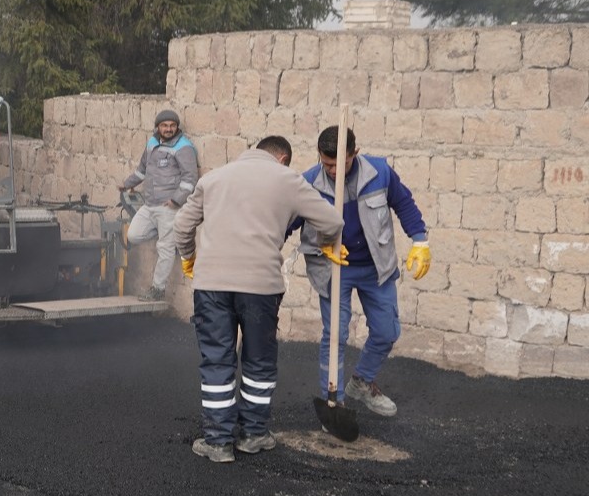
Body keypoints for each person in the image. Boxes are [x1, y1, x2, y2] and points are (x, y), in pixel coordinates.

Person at [175, 136, 345, 463]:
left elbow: (182, 224)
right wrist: (326, 243)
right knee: (258, 361)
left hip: (212, 286)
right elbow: (332, 221)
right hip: (261, 287)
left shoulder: (214, 178)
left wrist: (189, 256)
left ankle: (218, 442)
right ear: (282, 159)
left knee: (217, 360)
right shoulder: (288, 180)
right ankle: (253, 434)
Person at [290, 127, 430, 418]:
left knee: (386, 331)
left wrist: (420, 240)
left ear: (355, 153)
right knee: (336, 335)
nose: (332, 170)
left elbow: (403, 203)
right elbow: (286, 222)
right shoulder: (307, 183)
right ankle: (335, 401)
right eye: (326, 164)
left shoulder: (379, 172)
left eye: (339, 163)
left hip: (375, 267)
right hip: (332, 268)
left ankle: (361, 382)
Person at [118, 109, 199, 301]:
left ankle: (157, 289)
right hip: (150, 204)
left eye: (172, 125)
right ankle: (169, 234)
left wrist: (175, 200)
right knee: (134, 235)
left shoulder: (184, 147)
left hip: (168, 207)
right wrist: (127, 184)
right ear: (158, 127)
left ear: (177, 127)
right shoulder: (152, 143)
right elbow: (142, 170)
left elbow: (190, 179)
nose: (169, 129)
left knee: (165, 248)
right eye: (165, 125)